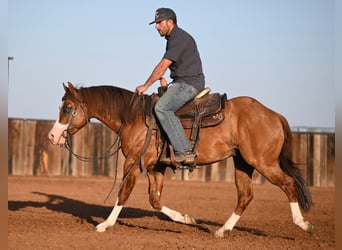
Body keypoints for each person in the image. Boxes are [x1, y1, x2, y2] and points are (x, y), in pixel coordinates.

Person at [136, 7, 205, 165]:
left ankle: (184, 151)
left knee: (162, 108)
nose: (156, 26)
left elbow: (163, 66)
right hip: (181, 81)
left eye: (159, 23)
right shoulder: (175, 38)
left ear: (170, 22)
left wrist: (146, 86)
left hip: (188, 84)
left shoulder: (178, 38)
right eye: (156, 23)